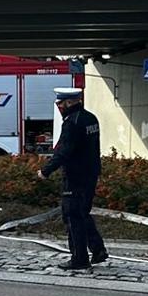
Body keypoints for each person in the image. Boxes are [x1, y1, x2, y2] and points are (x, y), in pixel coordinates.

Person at [39, 87, 108, 270]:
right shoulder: (90, 118)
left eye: (60, 103)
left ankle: (79, 258)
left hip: (75, 176)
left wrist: (45, 170)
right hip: (91, 174)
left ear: (69, 102)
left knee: (72, 216)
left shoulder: (72, 122)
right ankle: (98, 249)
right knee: (82, 213)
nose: (59, 107)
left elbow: (64, 151)